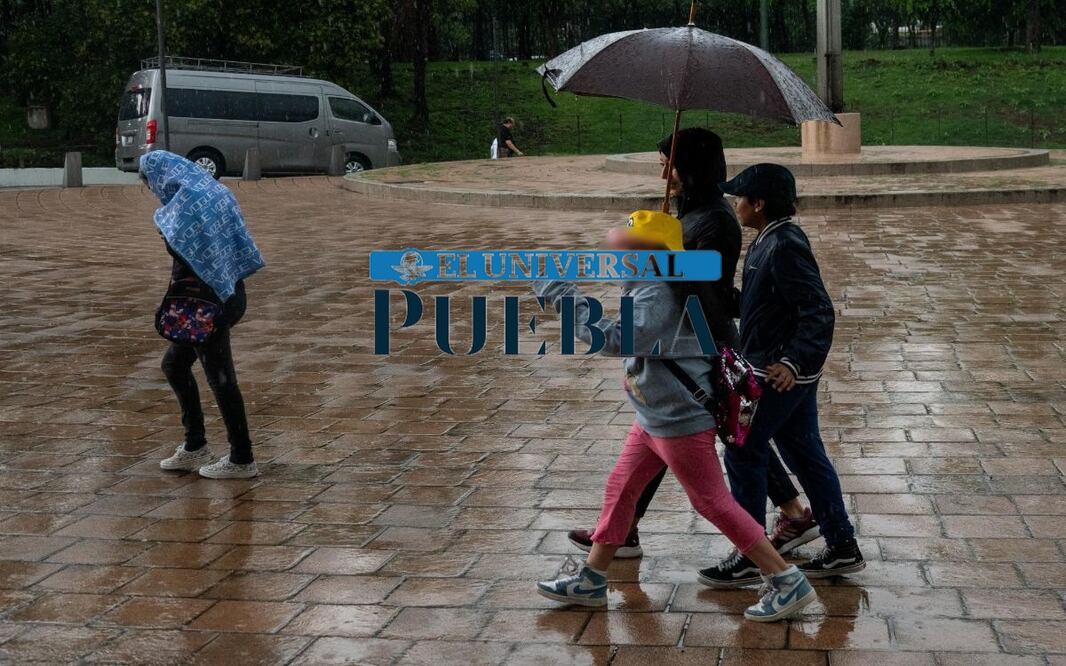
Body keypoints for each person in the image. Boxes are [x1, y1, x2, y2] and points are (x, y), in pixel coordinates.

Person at [534, 210, 817, 622]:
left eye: (627, 248)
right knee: (621, 489)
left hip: (678, 420)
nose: (617, 255)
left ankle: (786, 579)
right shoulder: (652, 284)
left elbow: (614, 339)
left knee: (713, 503)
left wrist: (563, 295)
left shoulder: (659, 294)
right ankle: (592, 578)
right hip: (653, 417)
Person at [567, 129, 818, 570]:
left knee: (727, 447)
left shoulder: (716, 221)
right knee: (673, 440)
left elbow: (706, 289)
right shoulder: (690, 212)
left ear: (691, 166)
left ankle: (782, 553)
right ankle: (620, 533)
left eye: (670, 162)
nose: (664, 171)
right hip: (678, 347)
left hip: (701, 342)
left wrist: (664, 260)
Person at [702, 163, 865, 582]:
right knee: (805, 454)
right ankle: (842, 544)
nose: (734, 204)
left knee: (742, 450)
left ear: (758, 203)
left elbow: (818, 309)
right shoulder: (765, 240)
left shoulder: (785, 244)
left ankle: (751, 552)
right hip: (778, 369)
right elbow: (762, 304)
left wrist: (793, 361)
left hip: (778, 374)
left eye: (739, 197)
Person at [140, 150, 266, 480]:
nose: (152, 191)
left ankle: (242, 458)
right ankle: (196, 447)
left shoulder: (184, 204)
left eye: (149, 184)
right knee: (175, 365)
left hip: (204, 304)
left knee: (221, 378)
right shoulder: (215, 191)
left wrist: (167, 233)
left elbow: (186, 257)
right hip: (230, 292)